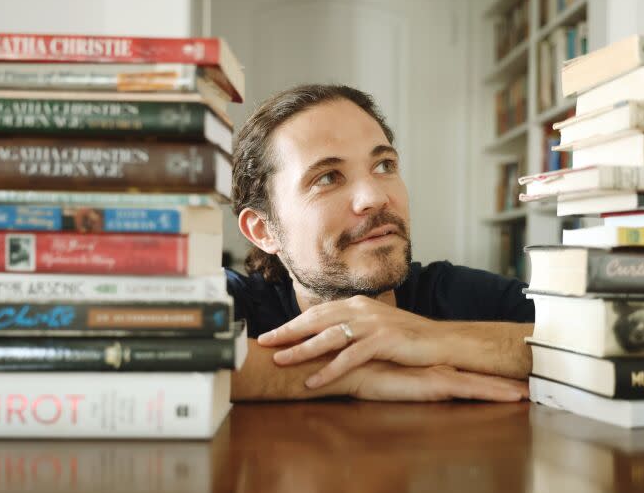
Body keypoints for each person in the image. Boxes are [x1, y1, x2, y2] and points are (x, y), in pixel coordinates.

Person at [226, 84, 534, 402]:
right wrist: (357, 371)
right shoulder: (235, 304)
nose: (375, 197)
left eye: (384, 166)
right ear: (263, 230)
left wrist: (434, 337)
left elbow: (586, 342)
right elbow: (171, 353)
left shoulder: (457, 295)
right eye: (327, 177)